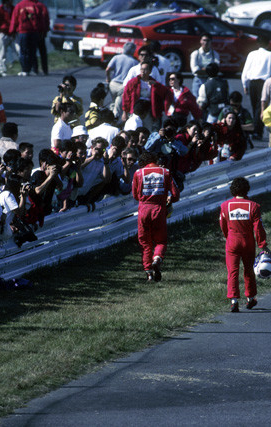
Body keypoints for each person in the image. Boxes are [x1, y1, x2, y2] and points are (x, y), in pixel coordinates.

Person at [219, 177, 269, 312]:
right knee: (249, 270)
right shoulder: (254, 206)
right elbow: (258, 228)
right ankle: (250, 298)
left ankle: (234, 301)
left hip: (232, 241)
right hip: (248, 241)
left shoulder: (225, 206)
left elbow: (223, 225)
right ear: (247, 189)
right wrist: (262, 244)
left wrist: (228, 237)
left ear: (232, 190)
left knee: (232, 271)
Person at [132, 151, 180, 282]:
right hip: (159, 209)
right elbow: (176, 195)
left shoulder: (138, 173)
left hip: (143, 210)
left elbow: (135, 195)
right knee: (161, 241)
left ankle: (148, 273)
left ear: (142, 163)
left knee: (145, 242)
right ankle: (157, 258)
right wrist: (168, 200)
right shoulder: (166, 172)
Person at [241, 35, 271, 141]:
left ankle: (256, 130)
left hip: (252, 83)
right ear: (268, 43)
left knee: (254, 107)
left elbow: (245, 70)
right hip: (264, 83)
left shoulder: (252, 54)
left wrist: (244, 84)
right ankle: (257, 131)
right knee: (260, 107)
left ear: (258, 43)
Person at [121, 61, 172, 132]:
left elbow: (164, 93)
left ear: (150, 71)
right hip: (136, 109)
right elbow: (126, 98)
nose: (143, 71)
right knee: (134, 129)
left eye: (145, 69)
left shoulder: (154, 83)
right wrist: (125, 112)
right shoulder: (133, 82)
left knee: (147, 130)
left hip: (148, 111)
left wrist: (156, 85)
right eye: (141, 69)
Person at [9, 0, 47, 76]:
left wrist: (12, 31)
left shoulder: (19, 5)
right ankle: (34, 69)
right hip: (34, 32)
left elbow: (14, 20)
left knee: (24, 51)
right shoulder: (35, 5)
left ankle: (25, 69)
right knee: (33, 51)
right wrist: (42, 31)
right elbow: (40, 20)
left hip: (23, 32)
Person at [106, 42, 138, 119]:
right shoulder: (134, 62)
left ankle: (109, 117)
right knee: (118, 105)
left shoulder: (116, 57)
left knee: (113, 102)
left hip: (113, 84)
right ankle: (114, 120)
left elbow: (108, 69)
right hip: (123, 87)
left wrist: (108, 79)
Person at [0, 0, 19, 77]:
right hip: (3, 33)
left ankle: (21, 67)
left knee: (19, 50)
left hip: (13, 34)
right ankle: (2, 70)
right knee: (2, 53)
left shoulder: (14, 9)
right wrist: (0, 30)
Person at [190, 33, 220, 99]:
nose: (205, 43)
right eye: (204, 40)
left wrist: (202, 69)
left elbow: (215, 69)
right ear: (200, 41)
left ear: (211, 42)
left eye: (208, 40)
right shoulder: (195, 54)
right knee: (196, 101)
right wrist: (209, 69)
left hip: (210, 81)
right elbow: (195, 70)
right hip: (198, 81)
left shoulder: (215, 54)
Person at [33, 0, 50, 76]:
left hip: (38, 32)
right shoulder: (41, 6)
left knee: (40, 51)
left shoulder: (41, 6)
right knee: (39, 51)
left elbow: (46, 19)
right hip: (38, 32)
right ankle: (40, 69)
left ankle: (40, 69)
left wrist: (45, 30)